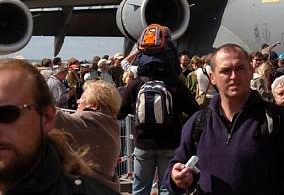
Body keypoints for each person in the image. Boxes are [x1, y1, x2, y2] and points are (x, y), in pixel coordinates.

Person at [166, 44, 284, 195]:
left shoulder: (276, 120)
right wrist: (175, 177)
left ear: (251, 71)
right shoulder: (198, 123)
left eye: (240, 68)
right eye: (225, 71)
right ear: (212, 78)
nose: (234, 76)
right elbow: (175, 167)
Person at [0, 59, 118, 194]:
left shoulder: (90, 123)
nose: (78, 100)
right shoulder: (111, 125)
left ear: (47, 117)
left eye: (7, 113)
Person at [119, 39, 199, 195]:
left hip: (142, 143)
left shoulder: (136, 83)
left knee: (140, 187)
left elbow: (121, 112)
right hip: (170, 143)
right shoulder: (175, 83)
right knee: (166, 187)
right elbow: (194, 110)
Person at [56, 80, 122, 191]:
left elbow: (54, 116)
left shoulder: (91, 121)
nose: (77, 101)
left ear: (94, 105)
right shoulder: (109, 123)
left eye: (82, 98)